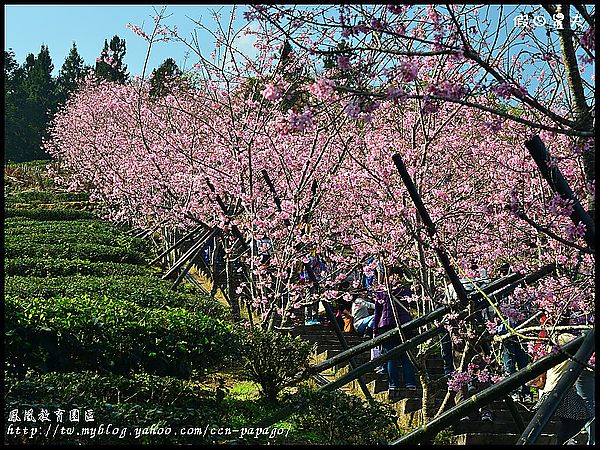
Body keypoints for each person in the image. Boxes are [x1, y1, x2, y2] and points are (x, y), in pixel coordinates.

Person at [531, 331, 594, 444]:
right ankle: (564, 440)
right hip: (560, 389)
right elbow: (586, 344)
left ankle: (566, 440)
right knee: (580, 418)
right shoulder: (563, 338)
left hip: (554, 388)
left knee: (573, 421)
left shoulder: (549, 341)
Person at [373, 266, 417, 399]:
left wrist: (375, 330)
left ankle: (393, 385)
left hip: (386, 326)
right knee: (405, 356)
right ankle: (410, 384)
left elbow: (377, 313)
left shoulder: (382, 291)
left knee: (390, 356)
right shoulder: (406, 290)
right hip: (405, 326)